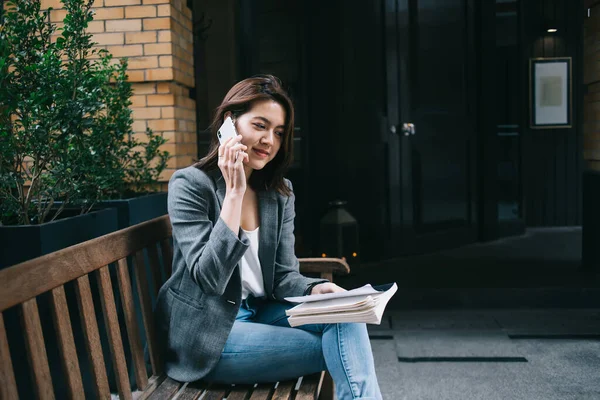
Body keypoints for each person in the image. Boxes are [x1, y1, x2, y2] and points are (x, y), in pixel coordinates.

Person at [155, 75, 383, 400]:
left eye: (278, 132)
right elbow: (209, 279)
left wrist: (315, 288)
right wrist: (233, 193)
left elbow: (283, 276)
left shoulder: (279, 192)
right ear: (229, 125)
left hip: (263, 314)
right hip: (211, 333)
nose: (269, 140)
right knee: (339, 349)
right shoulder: (191, 185)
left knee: (345, 318)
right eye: (260, 125)